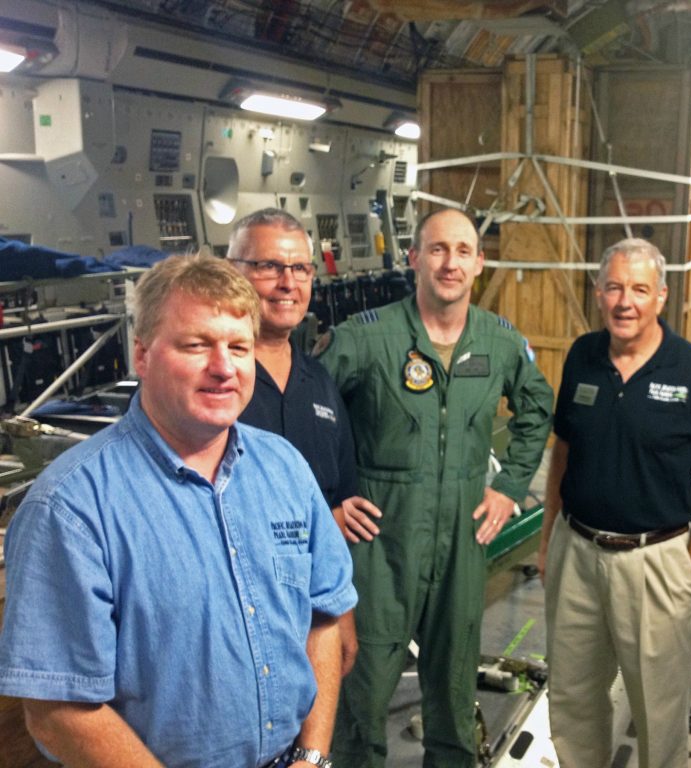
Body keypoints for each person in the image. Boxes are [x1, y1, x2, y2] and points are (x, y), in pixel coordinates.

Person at [0, 255, 356, 768]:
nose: (224, 367)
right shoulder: (72, 507)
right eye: (197, 345)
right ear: (141, 354)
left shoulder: (284, 468)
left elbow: (323, 618)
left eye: (239, 347)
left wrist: (313, 754)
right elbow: (57, 709)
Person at [316, 207, 553, 767]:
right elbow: (311, 411)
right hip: (379, 540)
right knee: (364, 686)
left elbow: (538, 404)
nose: (451, 263)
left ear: (479, 263)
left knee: (452, 685)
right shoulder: (364, 339)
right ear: (414, 258)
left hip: (462, 540)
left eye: (463, 251)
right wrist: (327, 498)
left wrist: (511, 485)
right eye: (438, 250)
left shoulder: (498, 341)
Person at [539, 238, 691, 768]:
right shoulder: (582, 355)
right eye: (615, 288)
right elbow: (564, 449)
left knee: (659, 708)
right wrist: (547, 542)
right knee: (573, 697)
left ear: (661, 298)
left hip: (656, 561)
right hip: (576, 552)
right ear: (599, 293)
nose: (626, 302)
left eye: (640, 290)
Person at [229, 208, 379, 678]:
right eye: (268, 266)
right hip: (234, 615)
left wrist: (342, 614)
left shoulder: (318, 381)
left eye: (300, 268)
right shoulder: (215, 382)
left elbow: (341, 504)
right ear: (232, 271)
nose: (287, 282)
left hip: (310, 614)